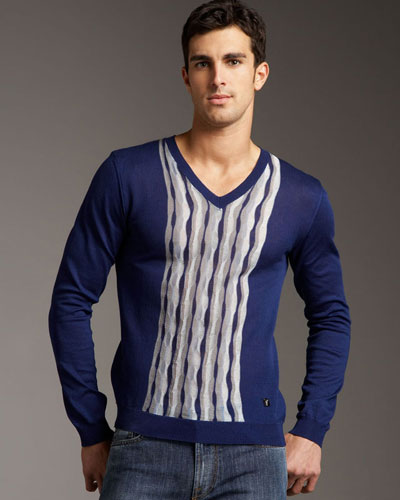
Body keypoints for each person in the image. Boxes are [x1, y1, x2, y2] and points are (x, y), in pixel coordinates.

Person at [48, 0, 351, 498]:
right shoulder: (129, 175)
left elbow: (331, 315)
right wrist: (90, 428)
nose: (218, 78)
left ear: (259, 74)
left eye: (233, 61)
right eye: (203, 63)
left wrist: (313, 428)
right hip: (143, 448)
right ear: (186, 76)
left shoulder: (301, 197)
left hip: (254, 457)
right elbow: (70, 300)